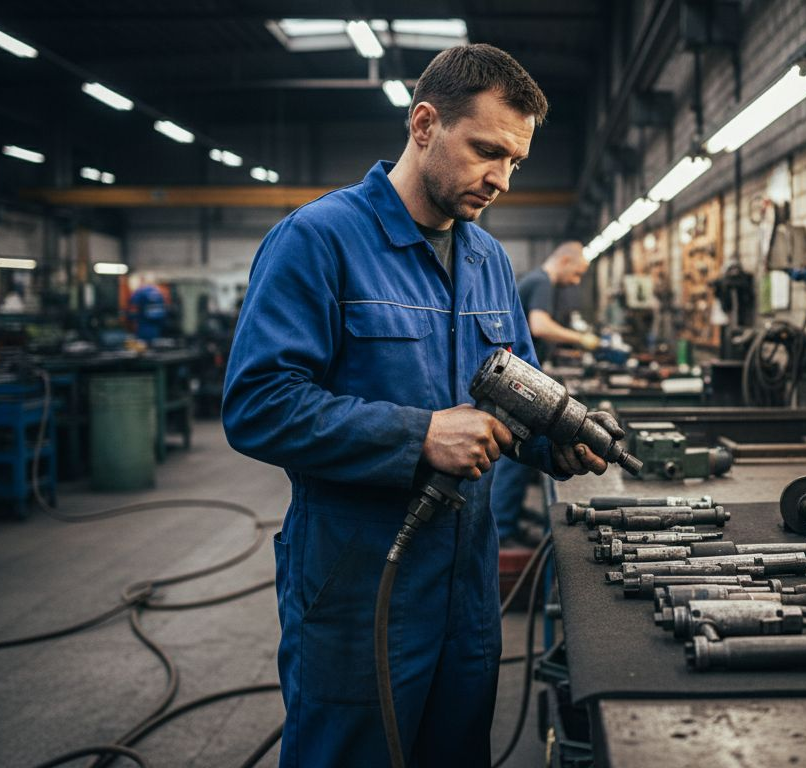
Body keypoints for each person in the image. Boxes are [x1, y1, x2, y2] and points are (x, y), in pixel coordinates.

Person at [222, 44, 617, 767]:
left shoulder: (489, 261)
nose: (501, 179)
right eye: (487, 151)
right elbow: (258, 404)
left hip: (466, 587)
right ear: (426, 124)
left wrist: (560, 435)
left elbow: (516, 396)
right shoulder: (318, 239)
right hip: (357, 583)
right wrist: (419, 436)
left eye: (515, 162)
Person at [490, 241, 598, 542]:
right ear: (564, 261)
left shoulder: (536, 280)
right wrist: (582, 339)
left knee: (517, 450)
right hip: (517, 382)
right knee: (514, 449)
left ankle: (507, 520)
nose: (575, 281)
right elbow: (539, 326)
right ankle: (503, 530)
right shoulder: (542, 282)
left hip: (516, 376)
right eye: (576, 273)